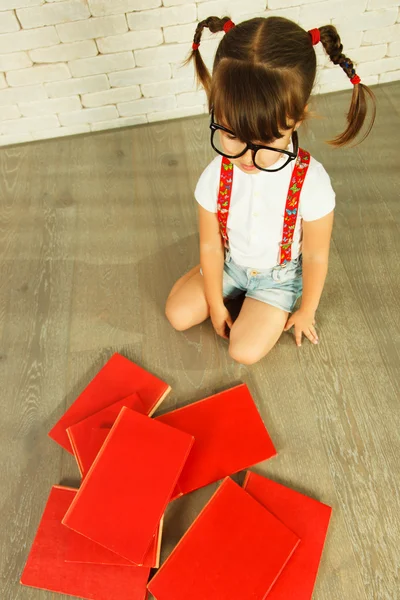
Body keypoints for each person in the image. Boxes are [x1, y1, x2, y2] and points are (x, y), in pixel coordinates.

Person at [165, 16, 376, 365]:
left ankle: (262, 299)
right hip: (231, 263)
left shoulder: (311, 182)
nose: (247, 155)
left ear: (298, 117)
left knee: (243, 351)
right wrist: (216, 305)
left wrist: (307, 309)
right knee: (177, 314)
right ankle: (213, 282)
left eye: (267, 139)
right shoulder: (216, 174)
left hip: (278, 278)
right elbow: (209, 242)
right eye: (232, 134)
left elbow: (316, 255)